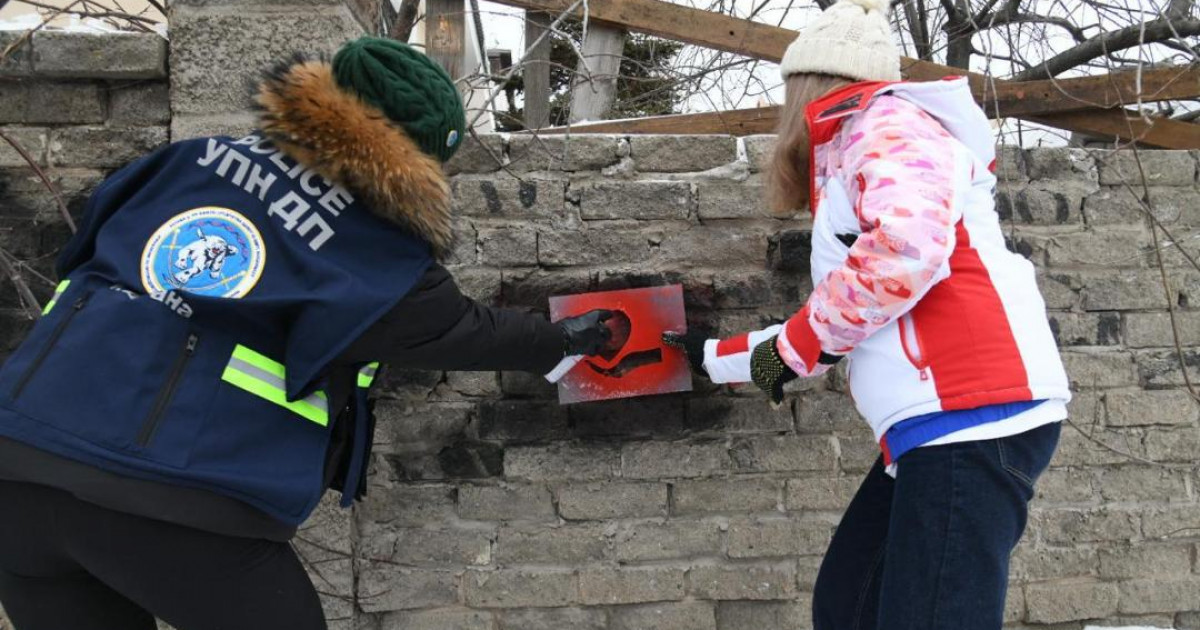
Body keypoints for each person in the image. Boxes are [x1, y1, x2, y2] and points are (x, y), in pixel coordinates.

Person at [0, 38, 613, 630]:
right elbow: (459, 331)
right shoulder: (373, 248)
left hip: (17, 467)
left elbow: (79, 257)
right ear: (413, 159)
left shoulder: (183, 159)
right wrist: (565, 340)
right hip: (172, 501)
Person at [665, 0, 1070, 628]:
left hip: (972, 417)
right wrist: (716, 358)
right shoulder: (861, 142)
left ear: (812, 84)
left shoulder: (885, 124)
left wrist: (790, 352)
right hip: (940, 426)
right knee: (849, 604)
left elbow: (905, 251)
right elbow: (846, 309)